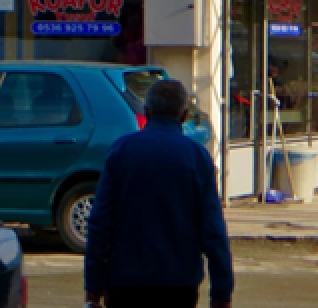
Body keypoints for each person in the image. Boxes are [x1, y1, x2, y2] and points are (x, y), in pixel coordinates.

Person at [85, 79, 234, 308]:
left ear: (147, 111)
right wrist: (221, 291)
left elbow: (100, 222)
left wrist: (94, 282)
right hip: (178, 285)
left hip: (126, 283)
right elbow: (213, 230)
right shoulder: (197, 158)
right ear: (183, 115)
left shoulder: (122, 152)